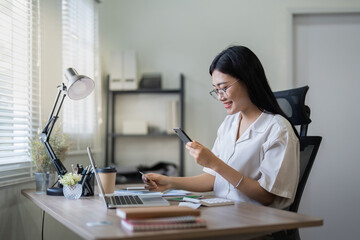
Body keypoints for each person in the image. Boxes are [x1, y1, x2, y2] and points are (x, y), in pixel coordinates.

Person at [143, 45, 299, 209]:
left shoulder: (278, 130)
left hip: (254, 222)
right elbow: (213, 178)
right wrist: (169, 182)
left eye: (224, 88)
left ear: (248, 80)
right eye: (216, 90)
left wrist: (215, 163)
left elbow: (266, 196)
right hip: (224, 212)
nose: (220, 97)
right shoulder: (229, 123)